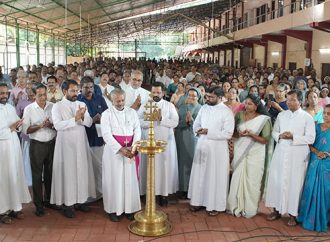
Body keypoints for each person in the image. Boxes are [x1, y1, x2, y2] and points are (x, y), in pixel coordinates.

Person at [265, 90, 316, 226]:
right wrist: (281, 136)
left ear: (300, 101)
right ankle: (276, 209)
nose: (289, 102)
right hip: (281, 152)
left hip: (298, 155)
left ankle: (293, 214)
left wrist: (293, 136)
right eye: (288, 99)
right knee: (277, 179)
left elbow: (311, 138)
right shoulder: (282, 115)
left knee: (295, 183)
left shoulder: (307, 117)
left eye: (293, 99)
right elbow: (274, 132)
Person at [51, 80, 96, 218]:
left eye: (77, 90)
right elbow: (57, 125)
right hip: (65, 145)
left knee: (81, 171)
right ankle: (68, 204)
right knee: (68, 173)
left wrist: (82, 117)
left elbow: (89, 123)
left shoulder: (81, 104)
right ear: (64, 91)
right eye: (72, 90)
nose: (76, 93)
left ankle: (81, 201)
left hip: (80, 143)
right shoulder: (57, 106)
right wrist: (74, 119)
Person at [188, 87, 234, 216]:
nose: (208, 99)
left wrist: (209, 132)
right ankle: (198, 201)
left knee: (215, 176)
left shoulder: (226, 112)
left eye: (211, 97)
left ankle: (215, 205)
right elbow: (196, 124)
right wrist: (197, 130)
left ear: (220, 97)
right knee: (200, 174)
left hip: (217, 150)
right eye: (207, 96)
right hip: (202, 145)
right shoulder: (204, 108)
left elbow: (228, 133)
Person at [227, 95, 272, 218]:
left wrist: (252, 135)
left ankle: (249, 208)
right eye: (246, 103)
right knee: (237, 177)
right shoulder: (239, 115)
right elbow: (232, 133)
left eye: (250, 104)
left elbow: (265, 140)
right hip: (240, 149)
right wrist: (239, 134)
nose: (247, 106)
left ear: (257, 106)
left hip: (256, 153)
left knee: (253, 179)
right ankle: (235, 205)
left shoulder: (264, 119)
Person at [101, 89, 141, 222]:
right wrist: (120, 149)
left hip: (130, 150)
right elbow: (106, 134)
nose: (120, 103)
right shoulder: (106, 114)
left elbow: (137, 129)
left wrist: (134, 146)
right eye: (117, 100)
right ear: (112, 100)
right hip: (114, 153)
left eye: (122, 100)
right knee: (115, 180)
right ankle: (113, 209)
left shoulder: (132, 112)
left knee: (129, 180)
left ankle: (129, 209)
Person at [139, 82, 179, 206]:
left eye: (158, 92)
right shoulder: (145, 105)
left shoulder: (169, 106)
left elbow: (175, 122)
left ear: (163, 93)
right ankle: (147, 192)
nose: (156, 95)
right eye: (154, 92)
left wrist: (161, 119)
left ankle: (163, 194)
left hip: (165, 142)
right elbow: (137, 121)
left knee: (164, 167)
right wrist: (151, 120)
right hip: (148, 141)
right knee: (148, 166)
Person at [22, 83, 57, 216]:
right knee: (37, 175)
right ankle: (38, 204)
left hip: (51, 143)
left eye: (44, 94)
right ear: (34, 95)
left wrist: (51, 125)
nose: (43, 97)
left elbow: (57, 125)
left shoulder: (52, 106)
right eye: (40, 95)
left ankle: (49, 200)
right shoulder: (29, 109)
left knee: (50, 173)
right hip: (37, 144)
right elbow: (26, 130)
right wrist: (40, 126)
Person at [0, 83, 31, 224]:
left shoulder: (11, 107)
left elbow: (14, 125)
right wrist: (10, 129)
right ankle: (2, 211)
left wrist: (17, 125)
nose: (4, 96)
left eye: (6, 93)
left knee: (14, 177)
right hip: (2, 150)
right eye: (1, 93)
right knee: (3, 180)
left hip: (13, 147)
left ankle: (14, 208)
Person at [297, 104, 330, 232]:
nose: (326, 116)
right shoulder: (316, 127)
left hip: (328, 164)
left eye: (329, 114)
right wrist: (317, 152)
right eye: (325, 113)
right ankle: (308, 217)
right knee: (310, 188)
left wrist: (327, 154)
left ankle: (325, 219)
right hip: (315, 161)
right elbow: (309, 143)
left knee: (326, 192)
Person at [78, 76, 108, 199]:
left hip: (98, 137)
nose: (89, 89)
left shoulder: (100, 99)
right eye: (86, 87)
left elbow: (107, 114)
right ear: (81, 88)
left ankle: (99, 192)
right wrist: (91, 120)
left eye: (91, 87)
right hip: (83, 137)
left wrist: (102, 119)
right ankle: (86, 194)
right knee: (85, 168)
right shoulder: (78, 101)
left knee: (99, 166)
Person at [175, 87, 202, 199]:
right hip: (180, 135)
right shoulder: (182, 107)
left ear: (198, 97)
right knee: (180, 161)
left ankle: (190, 188)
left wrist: (191, 121)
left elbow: (200, 125)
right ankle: (181, 187)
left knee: (190, 160)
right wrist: (184, 122)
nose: (191, 97)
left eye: (194, 96)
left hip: (192, 137)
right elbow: (176, 122)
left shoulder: (201, 108)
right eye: (189, 95)